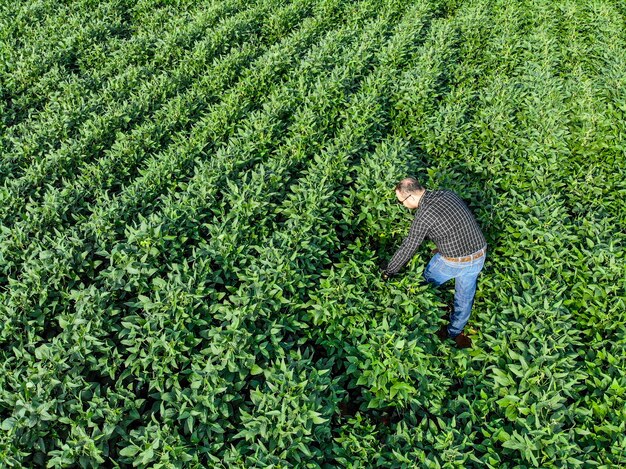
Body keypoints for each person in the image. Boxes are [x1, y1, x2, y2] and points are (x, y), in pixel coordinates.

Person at [381, 177, 487, 348]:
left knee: (422, 284)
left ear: (410, 198)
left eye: (401, 202)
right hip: (480, 253)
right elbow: (457, 222)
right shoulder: (447, 194)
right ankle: (454, 331)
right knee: (465, 297)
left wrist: (389, 271)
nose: (402, 205)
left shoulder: (424, 216)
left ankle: (419, 314)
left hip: (453, 261)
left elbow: (408, 247)